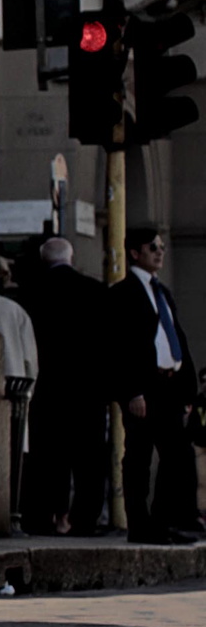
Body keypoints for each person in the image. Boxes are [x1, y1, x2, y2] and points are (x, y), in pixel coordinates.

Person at [108, 226, 203, 546]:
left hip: (171, 387)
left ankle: (168, 521)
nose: (160, 252)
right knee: (138, 457)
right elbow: (121, 347)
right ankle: (140, 525)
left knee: (177, 455)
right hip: (144, 389)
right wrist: (132, 391)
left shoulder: (161, 292)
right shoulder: (124, 293)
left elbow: (176, 338)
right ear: (135, 253)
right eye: (153, 247)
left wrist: (188, 391)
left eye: (161, 246)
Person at [19, 237, 111, 536]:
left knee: (47, 456)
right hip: (88, 388)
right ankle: (85, 520)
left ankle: (43, 517)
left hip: (46, 387)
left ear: (44, 260)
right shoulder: (95, 291)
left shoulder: (29, 292)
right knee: (90, 459)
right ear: (72, 256)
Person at [0, 259, 38, 532]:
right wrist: (28, 392)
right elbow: (31, 361)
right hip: (15, 391)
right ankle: (12, 514)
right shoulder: (15, 311)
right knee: (14, 458)